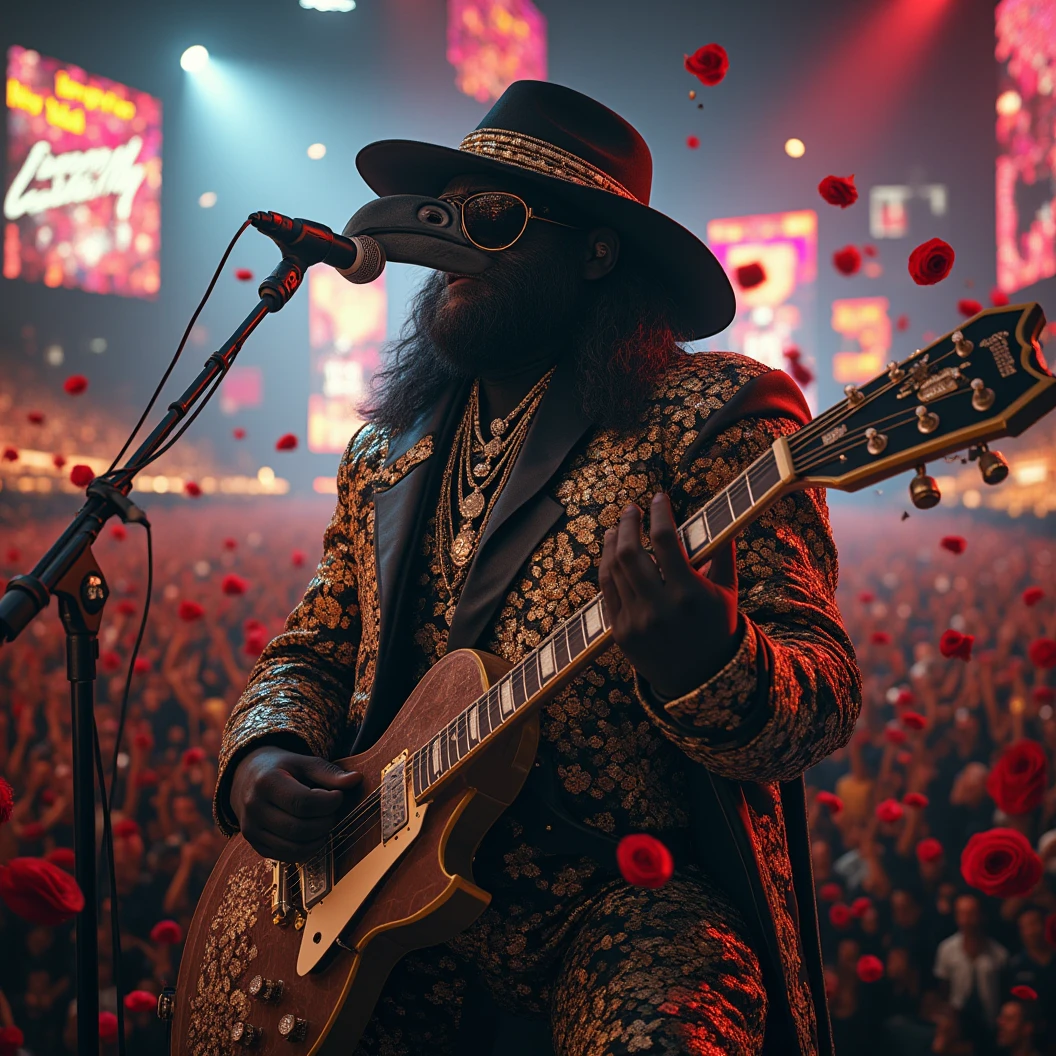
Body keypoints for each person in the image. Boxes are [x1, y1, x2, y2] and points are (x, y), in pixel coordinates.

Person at [215, 81, 865, 1055]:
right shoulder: (385, 455)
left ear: (595, 249)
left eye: (492, 219)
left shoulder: (715, 417)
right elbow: (313, 648)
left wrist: (710, 657)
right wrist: (260, 758)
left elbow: (819, 701)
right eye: (443, 218)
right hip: (376, 897)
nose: (452, 247)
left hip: (625, 898)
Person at [934, 895, 1009, 1037]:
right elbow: (943, 989)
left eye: (971, 914)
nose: (966, 920)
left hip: (990, 1024)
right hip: (957, 1024)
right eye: (961, 914)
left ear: (982, 916)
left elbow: (1003, 991)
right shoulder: (946, 950)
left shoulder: (999, 954)